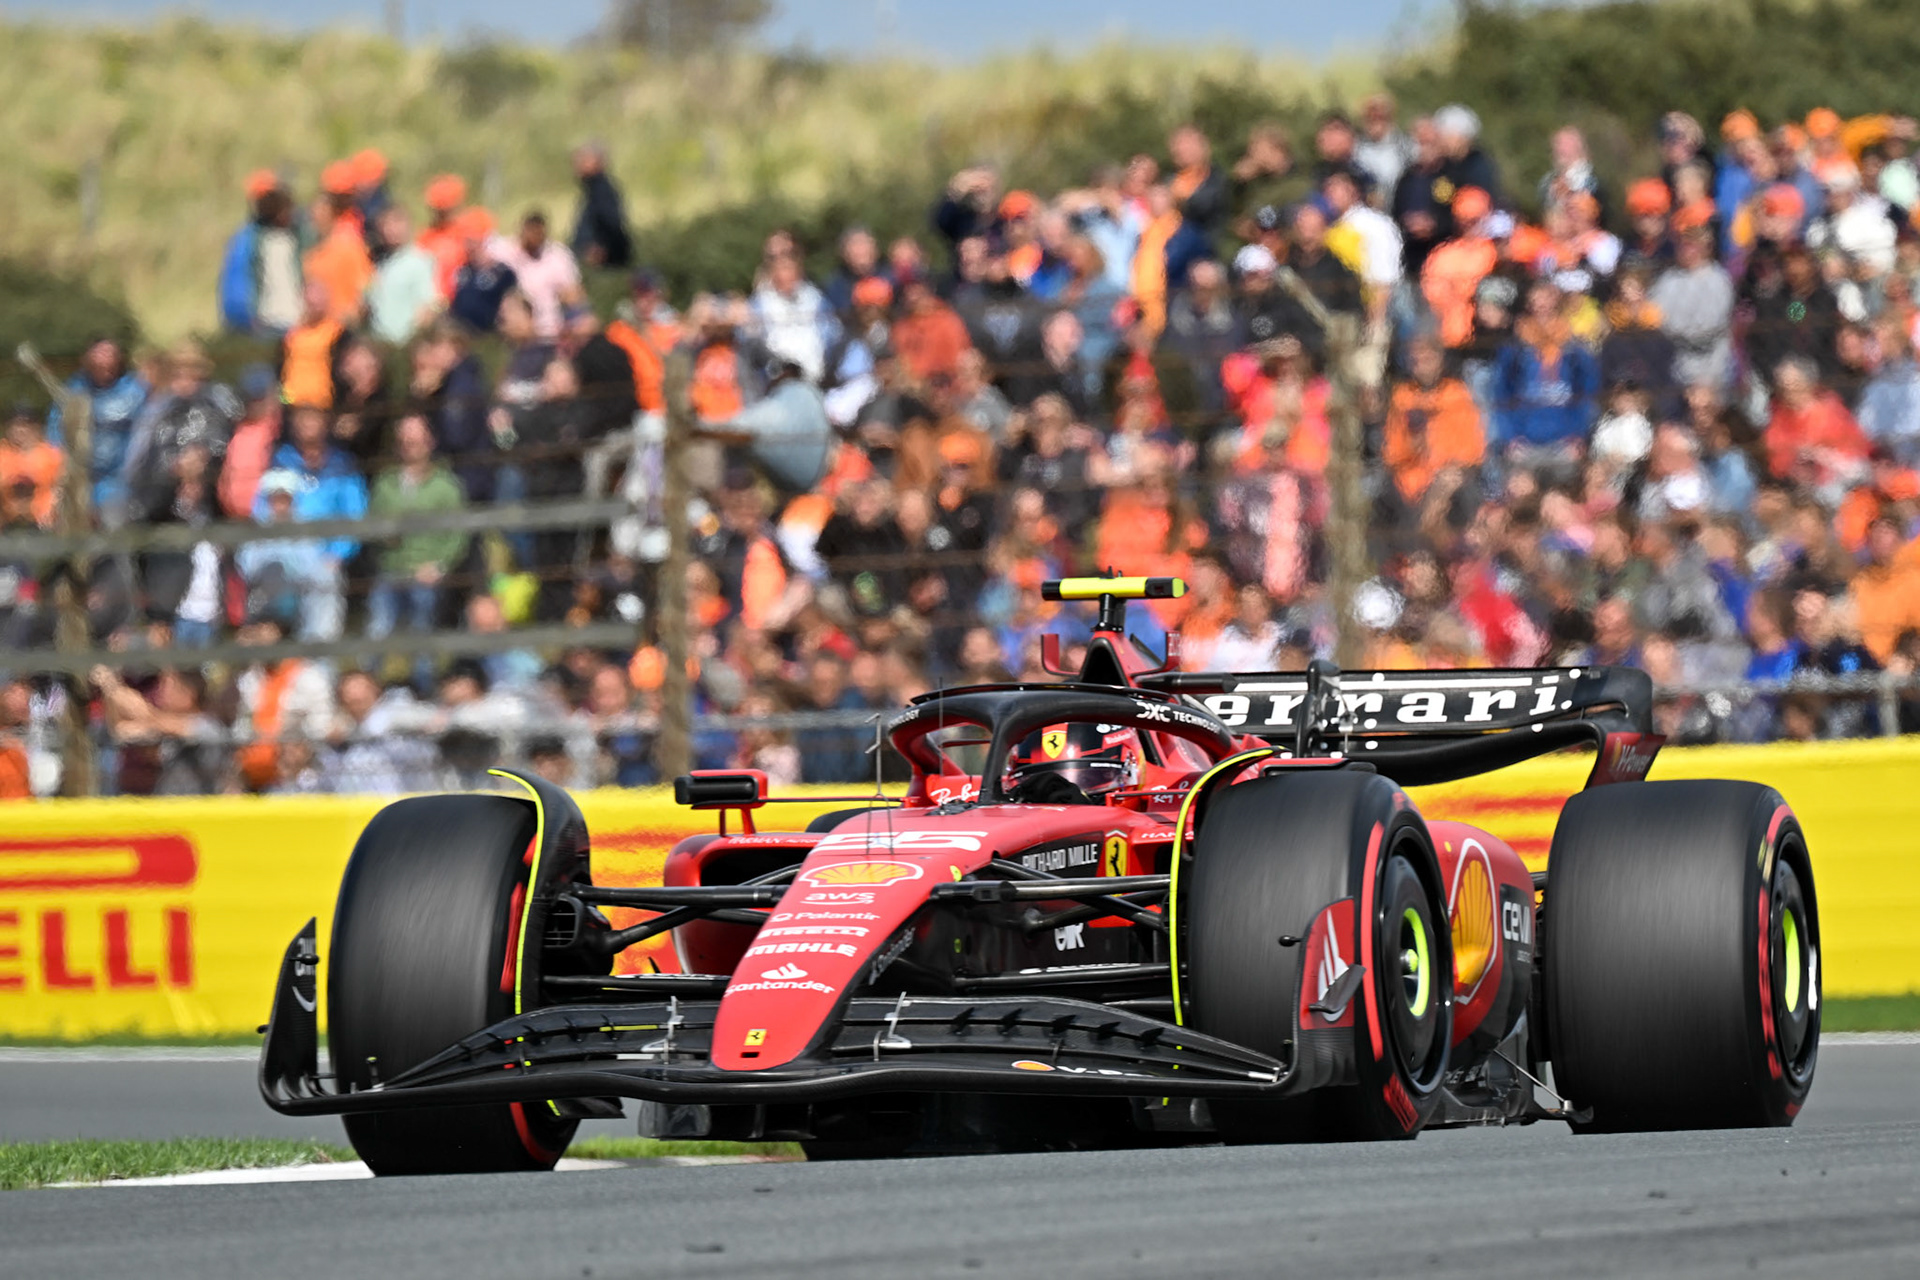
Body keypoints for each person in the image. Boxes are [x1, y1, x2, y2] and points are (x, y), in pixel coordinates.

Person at [366, 415, 467, 683]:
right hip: (391, 569)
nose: (410, 444)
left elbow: (458, 534)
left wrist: (439, 566)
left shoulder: (446, 485)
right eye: (404, 440)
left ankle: (423, 685)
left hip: (427, 572)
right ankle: (368, 684)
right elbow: (374, 522)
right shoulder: (385, 483)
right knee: (378, 628)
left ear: (429, 442)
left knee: (423, 628)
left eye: (416, 439)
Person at [489, 212, 582, 341]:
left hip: (548, 330)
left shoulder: (557, 255)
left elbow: (572, 293)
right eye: (531, 233)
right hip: (513, 329)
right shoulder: (503, 252)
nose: (535, 239)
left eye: (539, 234)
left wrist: (574, 319)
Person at [1003, 721, 1140, 804]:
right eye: (1034, 781)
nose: (1059, 799)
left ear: (1130, 772)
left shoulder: (1159, 803)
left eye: (1088, 779)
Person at [364, 205, 442, 345]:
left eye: (397, 223)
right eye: (386, 225)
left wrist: (415, 340)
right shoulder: (380, 263)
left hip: (405, 343)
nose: (391, 230)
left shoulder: (420, 261)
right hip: (379, 344)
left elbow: (428, 306)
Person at [569, 142, 632, 268]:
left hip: (599, 263)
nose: (577, 165)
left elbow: (612, 223)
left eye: (583, 160)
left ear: (597, 162)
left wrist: (602, 248)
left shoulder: (602, 190)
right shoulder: (591, 189)